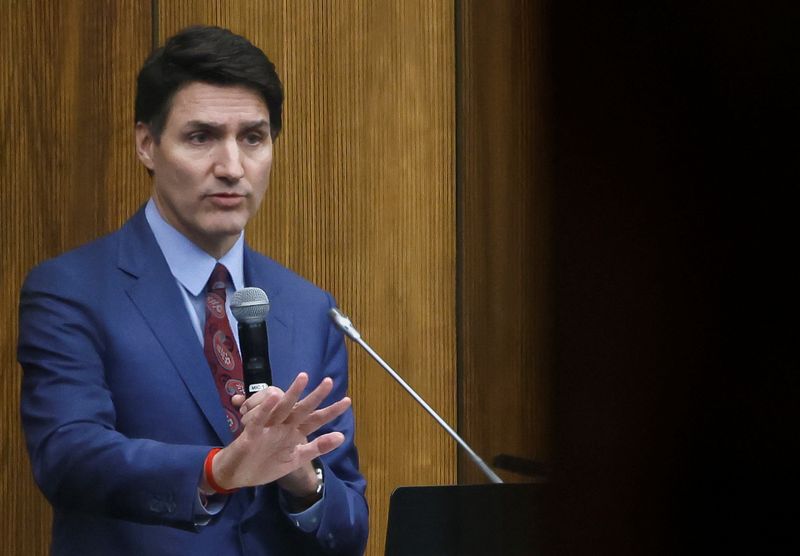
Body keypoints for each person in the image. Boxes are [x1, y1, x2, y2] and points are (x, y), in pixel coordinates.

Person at [17, 25, 368, 555]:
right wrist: (218, 470)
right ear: (147, 145)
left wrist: (302, 477)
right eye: (201, 136)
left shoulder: (309, 307)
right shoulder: (72, 290)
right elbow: (69, 458)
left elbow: (350, 525)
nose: (231, 167)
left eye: (253, 137)